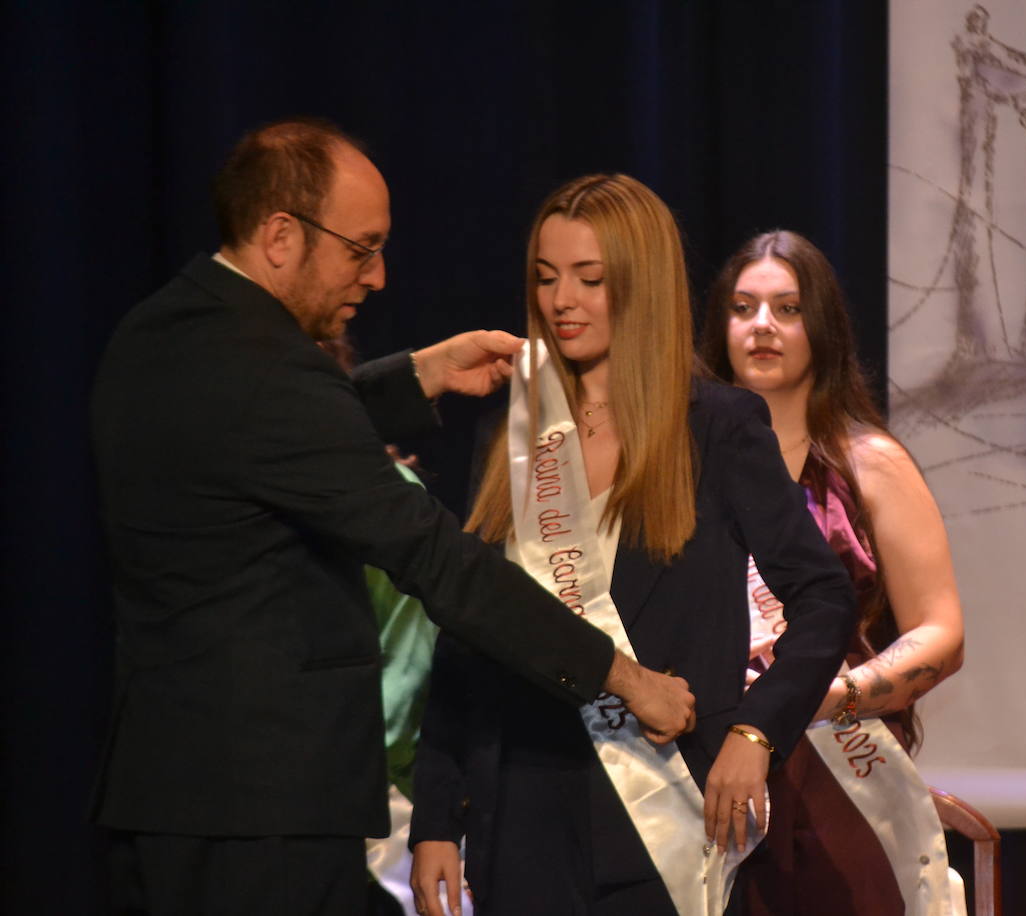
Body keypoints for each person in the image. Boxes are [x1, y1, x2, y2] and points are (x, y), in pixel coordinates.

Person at [89, 120, 694, 916]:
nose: (376, 276)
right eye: (360, 248)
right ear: (280, 236)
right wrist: (626, 678)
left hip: (172, 795)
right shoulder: (273, 378)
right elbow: (439, 563)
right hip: (263, 815)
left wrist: (419, 375)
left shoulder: (161, 331)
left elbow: (253, 442)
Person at [408, 176, 856, 916]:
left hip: (669, 818)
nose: (562, 301)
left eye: (590, 279)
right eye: (546, 278)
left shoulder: (719, 426)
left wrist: (757, 731)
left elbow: (825, 598)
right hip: (518, 816)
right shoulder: (514, 437)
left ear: (640, 285)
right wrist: (435, 818)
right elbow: (468, 630)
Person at [699, 230, 966, 915]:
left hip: (841, 773)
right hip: (702, 772)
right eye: (743, 307)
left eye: (787, 309)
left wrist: (828, 697)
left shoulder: (869, 464)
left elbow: (941, 633)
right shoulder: (678, 465)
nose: (761, 326)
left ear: (822, 327)